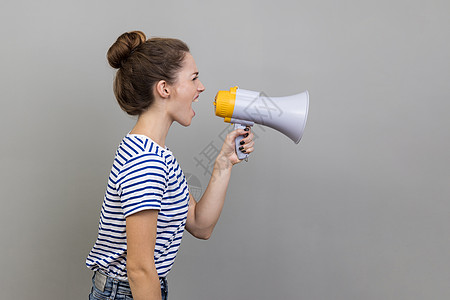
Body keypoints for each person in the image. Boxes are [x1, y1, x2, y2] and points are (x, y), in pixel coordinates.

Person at [86, 31, 254, 300]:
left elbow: (200, 225)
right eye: (194, 78)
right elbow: (139, 269)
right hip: (128, 293)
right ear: (164, 88)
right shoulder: (145, 161)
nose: (201, 88)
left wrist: (225, 161)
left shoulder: (158, 154)